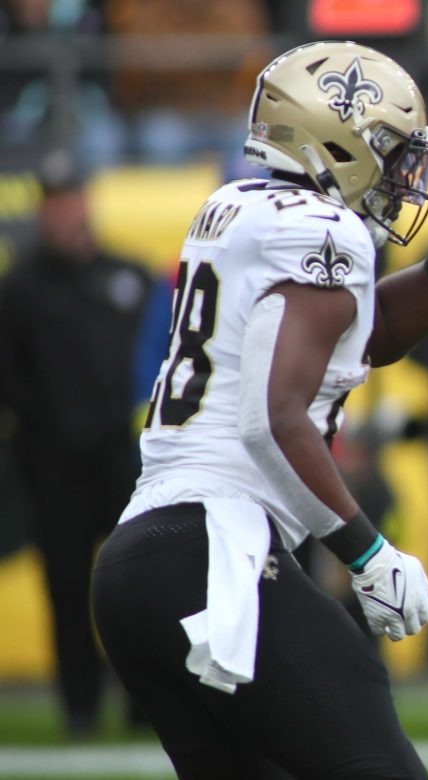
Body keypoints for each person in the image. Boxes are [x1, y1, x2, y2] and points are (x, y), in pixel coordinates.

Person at [89, 41, 428, 779]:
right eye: (394, 151)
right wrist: (370, 554)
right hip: (214, 545)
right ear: (338, 140)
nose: (407, 173)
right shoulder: (320, 231)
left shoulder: (233, 205)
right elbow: (273, 417)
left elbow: (357, 335)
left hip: (140, 561)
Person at [0, 149, 165, 738]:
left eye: (70, 200)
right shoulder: (19, 290)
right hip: (53, 464)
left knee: (140, 584)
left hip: (127, 461)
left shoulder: (128, 275)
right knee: (68, 586)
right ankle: (80, 707)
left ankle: (146, 703)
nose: (63, 213)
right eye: (53, 203)